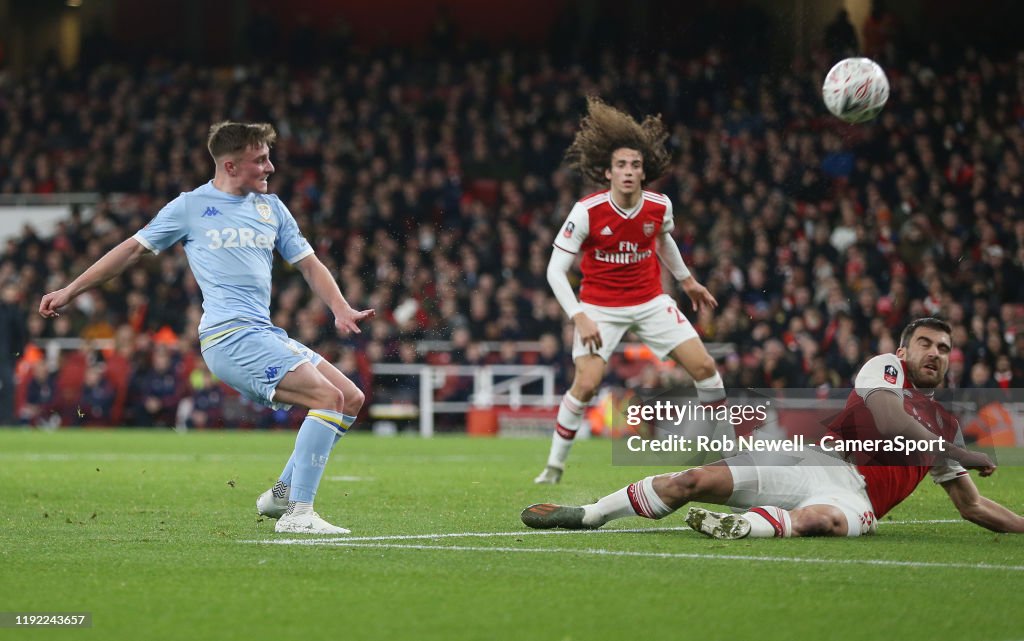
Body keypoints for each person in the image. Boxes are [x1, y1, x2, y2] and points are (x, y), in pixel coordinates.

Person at [39, 122, 374, 535]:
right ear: (231, 165)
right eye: (261, 160)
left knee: (351, 398)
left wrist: (341, 309)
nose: (271, 166)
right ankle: (299, 515)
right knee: (327, 396)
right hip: (229, 337)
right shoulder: (190, 207)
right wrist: (71, 290)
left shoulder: (272, 208)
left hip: (264, 332)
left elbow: (308, 263)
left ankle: (284, 493)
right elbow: (130, 251)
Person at [522, 318, 1024, 537]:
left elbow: (972, 506)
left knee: (818, 522)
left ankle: (745, 526)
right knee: (692, 481)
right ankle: (589, 514)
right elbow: (891, 419)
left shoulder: (948, 428)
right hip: (812, 462)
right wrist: (968, 454)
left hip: (858, 499)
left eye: (943, 348)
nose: (934, 354)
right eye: (926, 344)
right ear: (903, 351)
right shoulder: (884, 370)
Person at [534, 96, 723, 484]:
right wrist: (579, 315)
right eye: (621, 165)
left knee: (705, 368)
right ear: (607, 172)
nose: (628, 172)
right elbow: (555, 271)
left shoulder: (658, 206)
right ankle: (553, 467)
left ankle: (718, 451)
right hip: (599, 307)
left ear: (643, 172)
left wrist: (686, 279)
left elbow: (663, 239)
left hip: (651, 301)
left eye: (635, 165)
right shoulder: (586, 211)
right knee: (585, 385)